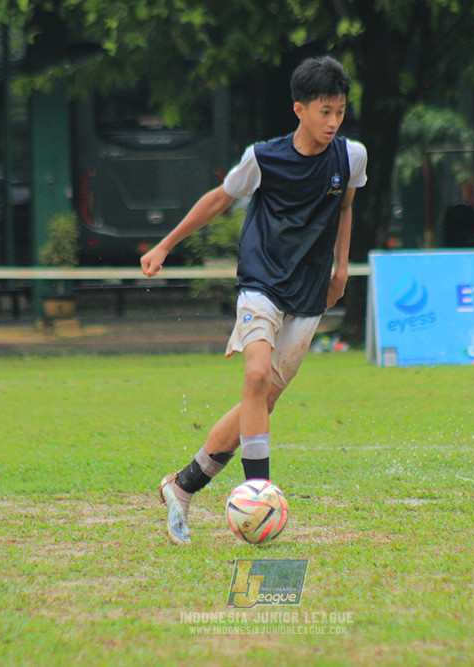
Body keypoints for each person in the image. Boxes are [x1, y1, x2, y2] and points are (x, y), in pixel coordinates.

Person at [140, 56, 367, 545]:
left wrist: (342, 270)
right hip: (261, 282)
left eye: (340, 112)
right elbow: (219, 199)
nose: (333, 122)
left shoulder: (352, 157)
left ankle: (182, 486)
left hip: (308, 293)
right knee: (255, 375)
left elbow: (346, 207)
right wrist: (165, 245)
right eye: (325, 111)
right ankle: (257, 490)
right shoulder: (264, 157)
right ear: (299, 109)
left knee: (259, 401)